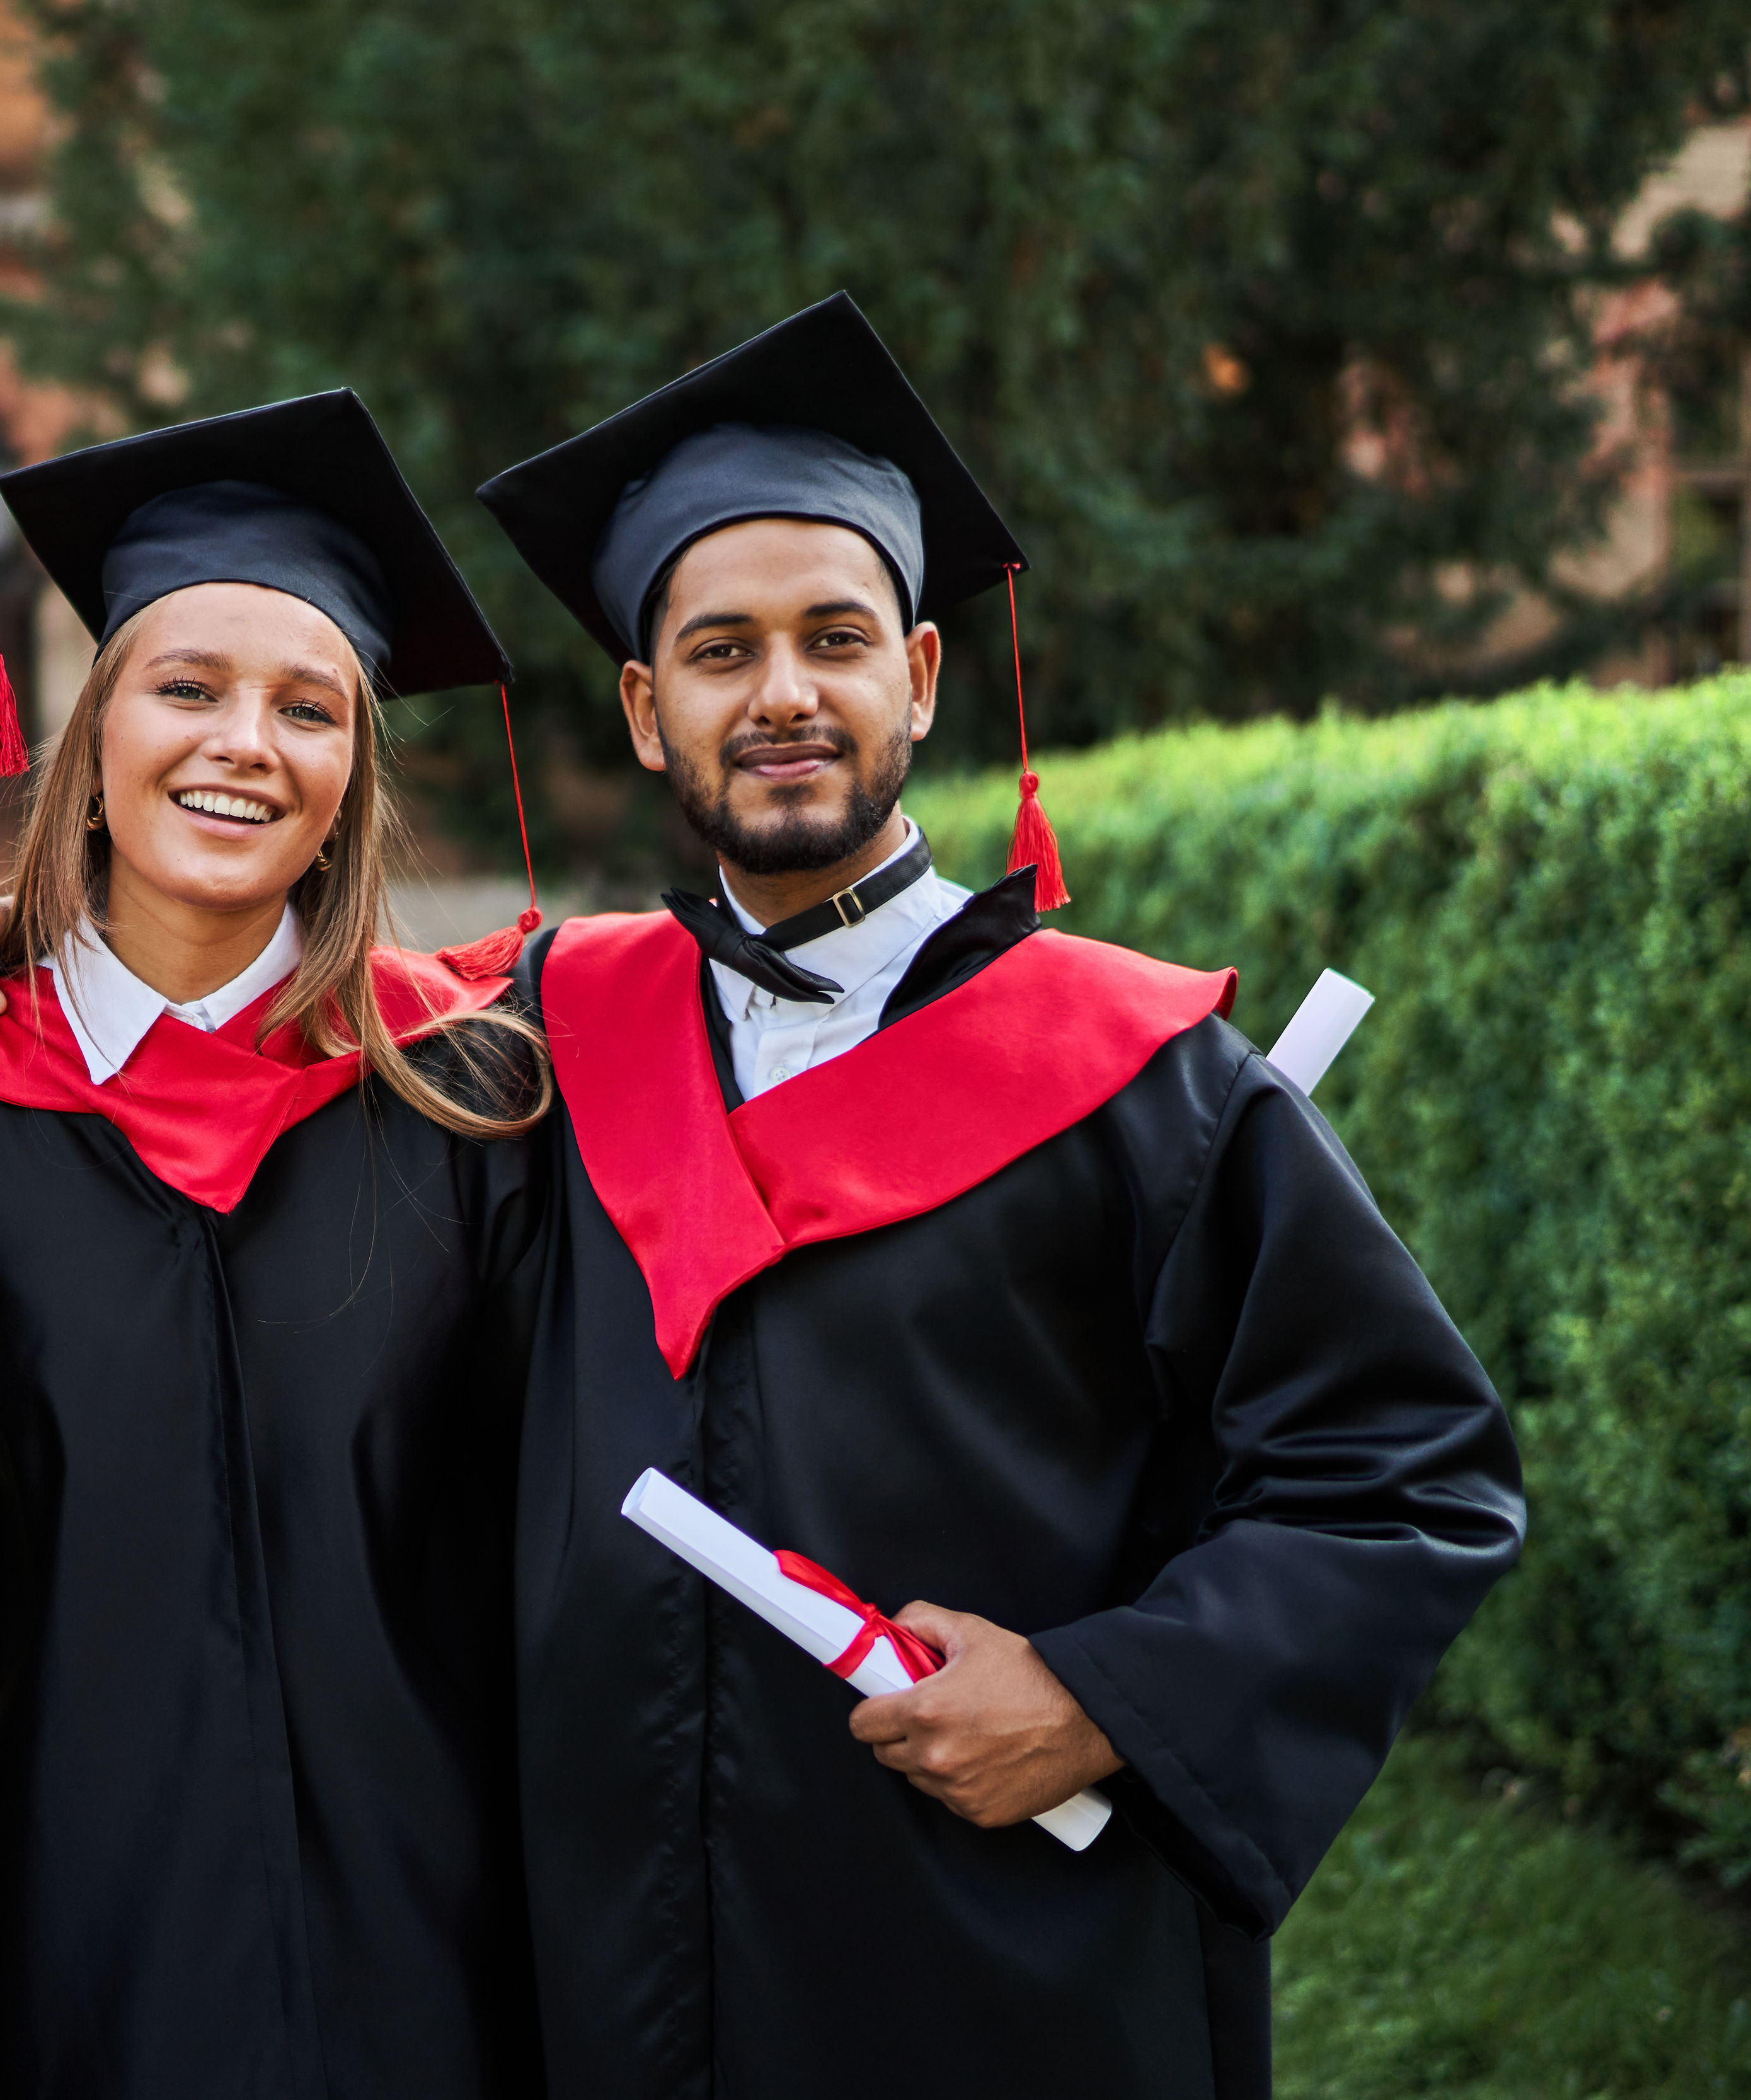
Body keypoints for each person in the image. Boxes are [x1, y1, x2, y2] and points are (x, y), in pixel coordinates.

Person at [462, 294, 1525, 2098]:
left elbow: (1406, 1471)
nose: (782, 693)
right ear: (648, 712)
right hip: (617, 1958)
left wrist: (1110, 1698)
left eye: (833, 638)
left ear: (923, 677)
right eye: (721, 653)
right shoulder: (546, 1044)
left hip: (998, 1962)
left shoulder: (1140, 1074)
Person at [0, 391, 553, 2099]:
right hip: (87, 1913)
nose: (244, 742)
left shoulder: (475, 1102)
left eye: (308, 708)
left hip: (442, 1918)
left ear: (352, 775)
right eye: (187, 688)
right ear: (90, 733)